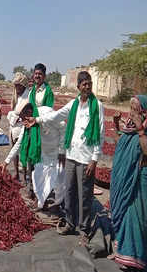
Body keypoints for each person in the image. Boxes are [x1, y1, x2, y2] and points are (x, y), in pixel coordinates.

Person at [27, 71, 104, 245]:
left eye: (89, 83)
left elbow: (99, 133)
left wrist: (94, 159)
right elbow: (57, 115)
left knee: (84, 194)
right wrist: (37, 120)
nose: (88, 86)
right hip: (71, 155)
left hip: (86, 159)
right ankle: (70, 222)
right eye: (84, 84)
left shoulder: (97, 105)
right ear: (78, 86)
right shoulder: (73, 104)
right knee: (69, 191)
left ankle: (84, 229)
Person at [1, 103, 66, 211]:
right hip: (42, 151)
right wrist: (6, 161)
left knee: (58, 178)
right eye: (22, 119)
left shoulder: (46, 113)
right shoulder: (27, 123)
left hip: (57, 150)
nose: (23, 121)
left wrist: (62, 151)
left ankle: (59, 203)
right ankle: (41, 202)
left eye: (24, 117)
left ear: (29, 111)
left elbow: (63, 127)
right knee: (38, 176)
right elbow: (20, 142)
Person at [110, 95, 147, 271]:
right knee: (124, 212)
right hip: (125, 178)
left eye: (135, 109)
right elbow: (120, 144)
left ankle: (134, 255)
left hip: (138, 180)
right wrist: (116, 125)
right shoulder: (130, 127)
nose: (131, 113)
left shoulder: (143, 128)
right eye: (130, 109)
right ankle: (124, 252)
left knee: (134, 215)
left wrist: (141, 129)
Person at [22, 63, 55, 199]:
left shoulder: (48, 92)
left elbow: (48, 112)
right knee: (31, 158)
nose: (37, 76)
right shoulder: (31, 91)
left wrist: (38, 121)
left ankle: (40, 192)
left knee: (40, 161)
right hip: (31, 129)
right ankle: (31, 187)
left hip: (41, 130)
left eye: (40, 74)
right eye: (36, 74)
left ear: (44, 76)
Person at [7, 72, 29, 180]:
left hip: (21, 127)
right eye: (15, 85)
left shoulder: (28, 96)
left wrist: (19, 117)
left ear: (23, 86)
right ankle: (16, 173)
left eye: (18, 85)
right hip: (13, 127)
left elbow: (28, 112)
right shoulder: (16, 96)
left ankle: (25, 175)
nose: (16, 88)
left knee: (23, 153)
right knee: (14, 152)